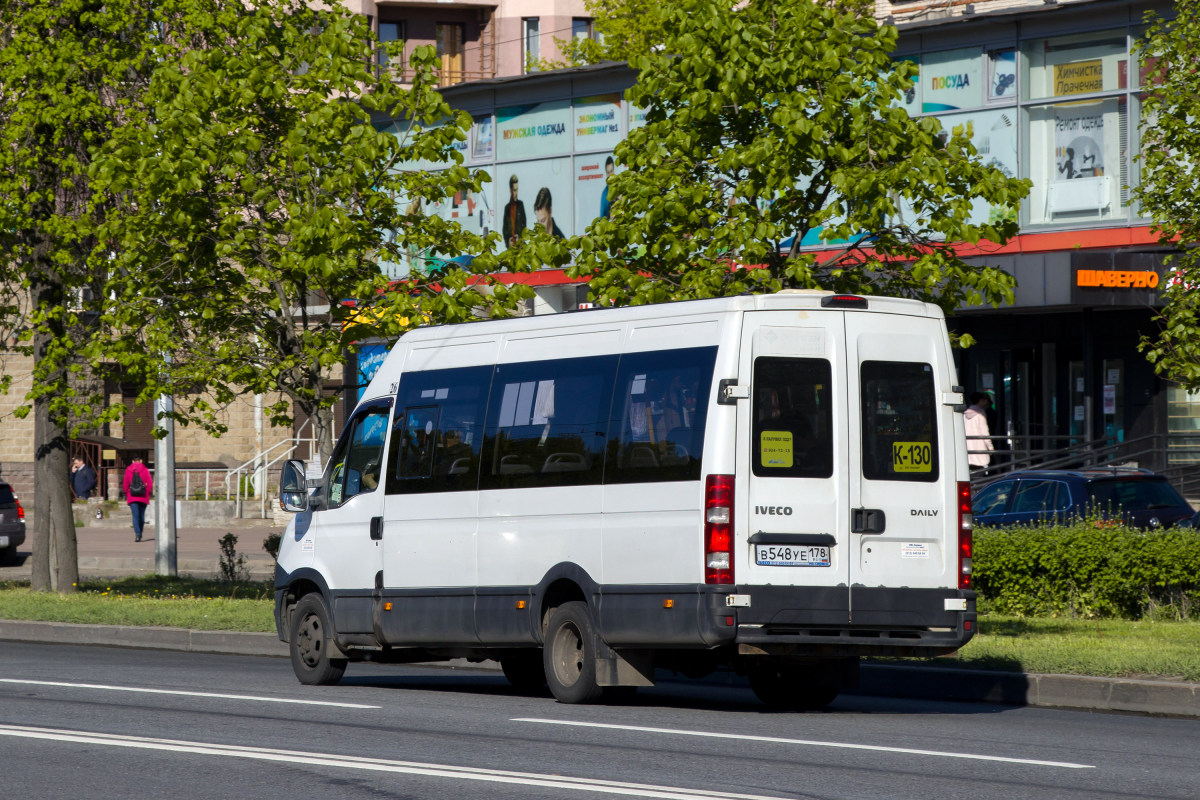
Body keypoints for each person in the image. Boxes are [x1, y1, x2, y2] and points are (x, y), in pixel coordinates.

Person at [122, 455, 153, 542]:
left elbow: (125, 483)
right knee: (142, 515)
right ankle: (140, 532)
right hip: (143, 496)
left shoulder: (128, 470)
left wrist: (126, 492)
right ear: (141, 461)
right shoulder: (145, 469)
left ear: (132, 461)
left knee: (135, 516)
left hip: (132, 496)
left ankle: (137, 534)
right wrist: (148, 492)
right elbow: (150, 483)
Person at [964, 392, 994, 473]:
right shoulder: (980, 415)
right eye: (985, 400)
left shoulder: (964, 414)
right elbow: (985, 433)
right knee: (980, 475)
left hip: (967, 450)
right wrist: (990, 448)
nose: (986, 403)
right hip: (979, 450)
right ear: (980, 400)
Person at [502, 174, 526, 248]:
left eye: (517, 190)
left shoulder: (520, 205)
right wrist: (507, 242)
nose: (516, 193)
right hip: (511, 246)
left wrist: (521, 239)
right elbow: (504, 228)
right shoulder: (507, 208)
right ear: (511, 191)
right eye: (514, 190)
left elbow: (524, 225)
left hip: (520, 245)